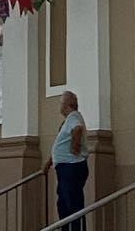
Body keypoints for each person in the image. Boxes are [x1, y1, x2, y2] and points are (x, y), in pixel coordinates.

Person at [46, 89, 88, 227]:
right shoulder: (68, 120)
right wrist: (49, 162)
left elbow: (77, 129)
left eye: (61, 103)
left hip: (72, 167)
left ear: (68, 104)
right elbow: (60, 144)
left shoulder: (74, 117)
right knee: (63, 204)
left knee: (73, 204)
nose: (59, 106)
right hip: (65, 167)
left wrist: (74, 147)